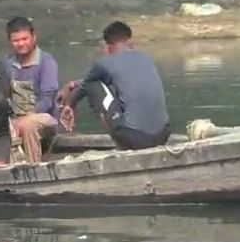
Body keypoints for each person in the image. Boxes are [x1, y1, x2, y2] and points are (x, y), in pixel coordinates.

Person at [59, 21, 170, 150]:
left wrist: (70, 105)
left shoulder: (104, 63)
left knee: (94, 85)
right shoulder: (146, 58)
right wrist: (77, 83)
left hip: (134, 137)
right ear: (130, 42)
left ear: (108, 47)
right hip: (163, 134)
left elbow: (87, 84)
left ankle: (120, 144)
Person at [0, 17, 60, 163]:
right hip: (15, 117)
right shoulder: (7, 64)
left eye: (25, 39)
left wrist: (25, 118)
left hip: (44, 117)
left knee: (28, 126)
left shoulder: (46, 62)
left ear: (34, 37)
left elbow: (47, 99)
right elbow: (3, 95)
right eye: (16, 40)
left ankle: (34, 168)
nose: (21, 44)